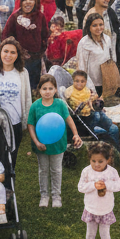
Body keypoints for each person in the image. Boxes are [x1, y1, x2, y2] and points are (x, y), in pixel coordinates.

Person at [28, 74, 82, 208]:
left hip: (58, 144)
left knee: (56, 170)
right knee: (43, 170)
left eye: (50, 88)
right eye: (44, 88)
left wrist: (76, 134)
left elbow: (69, 120)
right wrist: (36, 142)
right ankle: (44, 195)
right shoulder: (35, 106)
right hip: (41, 145)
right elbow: (31, 125)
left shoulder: (60, 104)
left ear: (56, 89)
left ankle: (56, 196)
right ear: (39, 90)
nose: (47, 91)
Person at [78, 141, 120, 239]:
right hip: (91, 208)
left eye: (100, 161)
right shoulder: (86, 171)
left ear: (108, 160)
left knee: (105, 234)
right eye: (93, 161)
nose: (96, 164)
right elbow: (80, 187)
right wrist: (93, 185)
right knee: (90, 233)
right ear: (89, 159)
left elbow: (119, 186)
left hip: (105, 209)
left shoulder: (112, 172)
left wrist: (107, 185)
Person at [4, 0, 50, 93]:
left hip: (36, 59)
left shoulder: (40, 16)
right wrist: (18, 52)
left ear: (36, 1)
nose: (28, 2)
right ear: (21, 2)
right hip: (19, 59)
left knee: (33, 87)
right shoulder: (15, 17)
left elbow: (44, 35)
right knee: (20, 87)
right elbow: (6, 36)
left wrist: (41, 51)